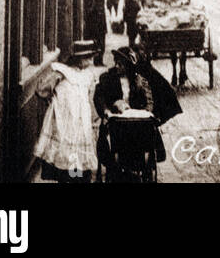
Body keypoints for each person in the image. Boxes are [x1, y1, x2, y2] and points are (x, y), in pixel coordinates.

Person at [33, 39, 99, 182]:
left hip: (81, 122)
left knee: (79, 162)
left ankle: (77, 178)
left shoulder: (87, 75)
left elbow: (89, 98)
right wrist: (51, 99)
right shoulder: (61, 72)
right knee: (64, 158)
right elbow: (41, 90)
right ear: (79, 59)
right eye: (88, 58)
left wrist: (93, 118)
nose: (91, 62)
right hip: (64, 122)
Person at [95, 47, 159, 178]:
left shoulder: (138, 80)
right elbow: (99, 97)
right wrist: (107, 109)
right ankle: (114, 164)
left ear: (128, 66)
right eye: (116, 63)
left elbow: (149, 99)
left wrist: (147, 112)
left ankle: (139, 162)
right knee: (110, 136)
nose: (117, 66)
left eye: (121, 64)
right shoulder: (107, 78)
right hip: (116, 122)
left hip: (136, 122)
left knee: (147, 131)